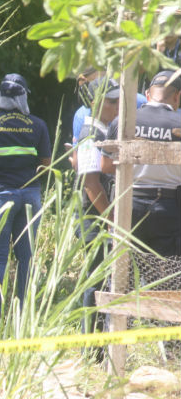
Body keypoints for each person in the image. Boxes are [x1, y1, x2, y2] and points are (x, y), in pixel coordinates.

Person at [0, 73, 52, 319]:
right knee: (26, 256)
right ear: (23, 96)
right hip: (30, 197)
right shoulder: (38, 125)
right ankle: (23, 310)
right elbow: (45, 166)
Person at [103, 70, 181, 257]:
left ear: (147, 95)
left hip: (129, 205)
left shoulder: (123, 122)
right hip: (169, 208)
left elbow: (105, 166)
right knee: (167, 274)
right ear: (178, 97)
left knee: (127, 270)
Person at [75, 77, 120, 354]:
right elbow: (91, 184)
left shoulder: (105, 128)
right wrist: (113, 219)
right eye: (112, 102)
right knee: (95, 280)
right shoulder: (90, 133)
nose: (117, 107)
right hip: (95, 219)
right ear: (94, 102)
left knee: (106, 280)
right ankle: (87, 346)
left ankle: (99, 345)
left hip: (102, 217)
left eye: (120, 101)